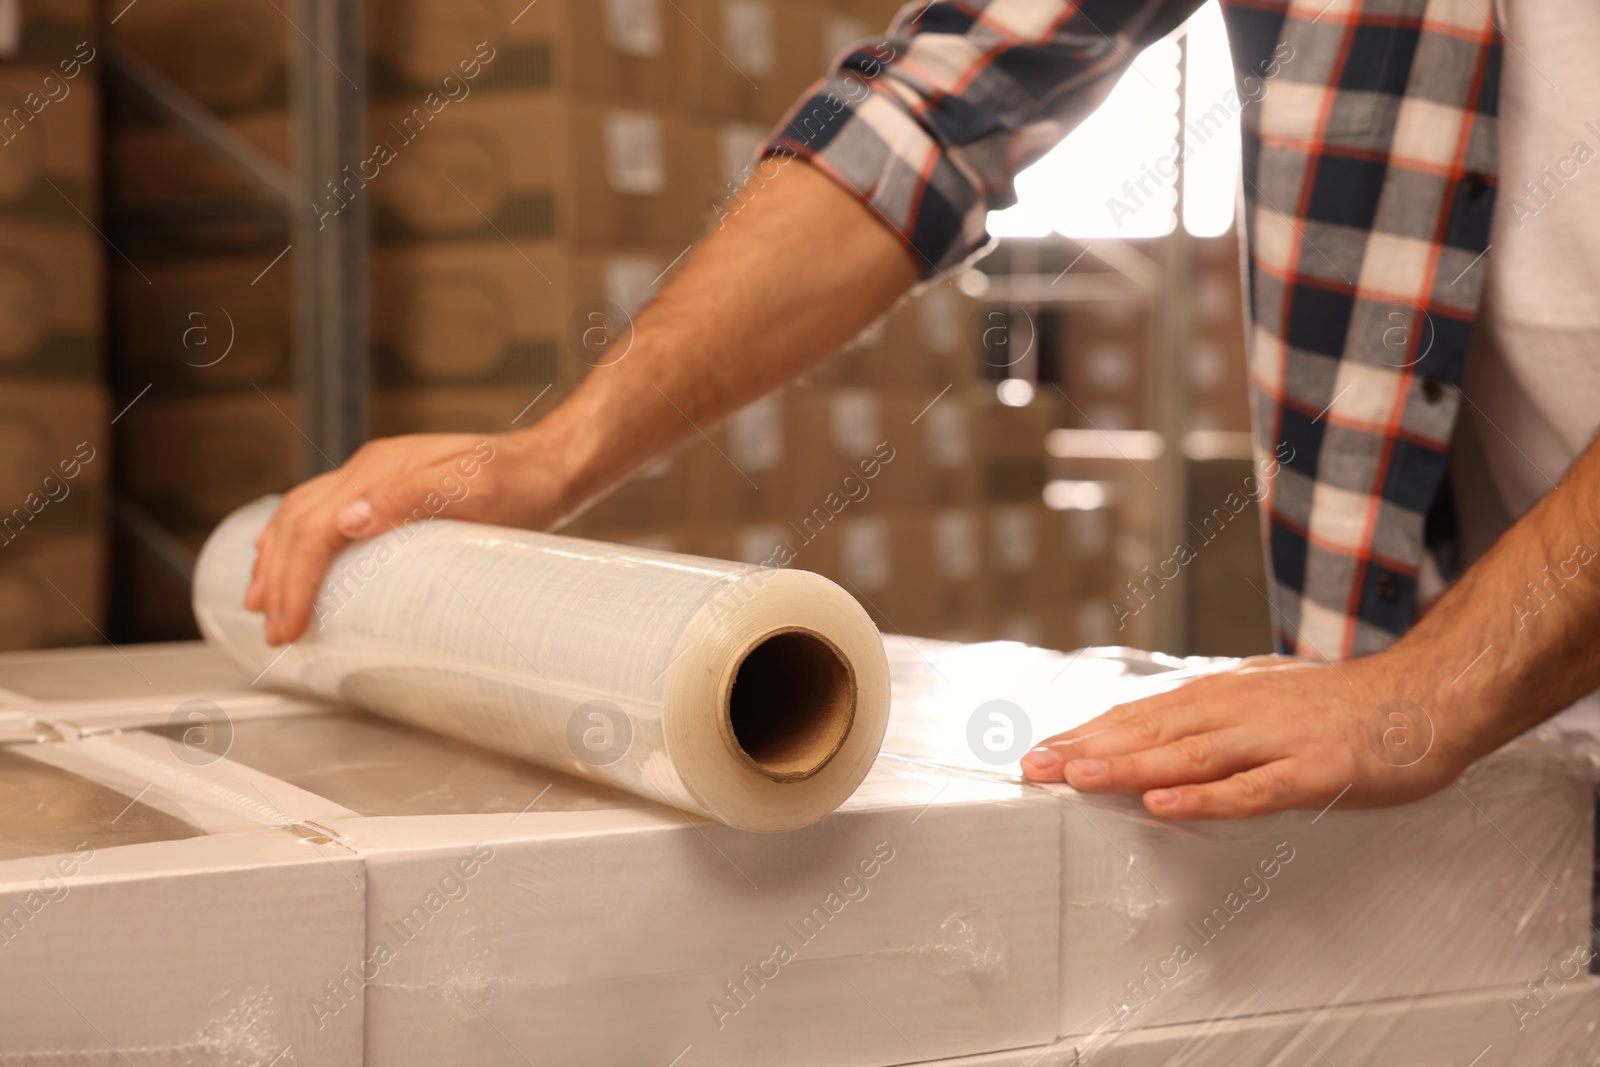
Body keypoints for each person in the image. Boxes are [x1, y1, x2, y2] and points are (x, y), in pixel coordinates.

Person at [245, 0, 1600, 820]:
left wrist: (1435, 686)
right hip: (1474, 740)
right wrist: (555, 455)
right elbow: (935, 114)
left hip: (1459, 694)